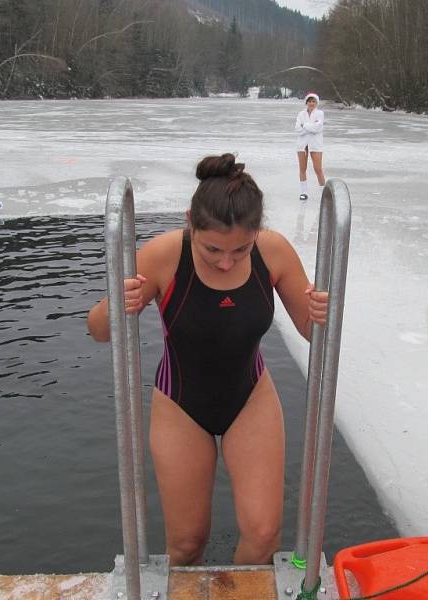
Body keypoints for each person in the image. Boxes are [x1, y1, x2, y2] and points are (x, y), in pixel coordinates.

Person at [87, 153, 329, 566]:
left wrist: (321, 312)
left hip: (250, 398)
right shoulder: (164, 255)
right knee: (186, 543)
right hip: (181, 404)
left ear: (258, 233)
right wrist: (118, 304)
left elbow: (312, 330)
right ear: (189, 222)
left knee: (264, 535)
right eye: (213, 248)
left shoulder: (273, 252)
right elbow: (99, 330)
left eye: (240, 249)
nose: (225, 261)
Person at [295, 92, 325, 201]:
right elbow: (297, 129)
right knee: (302, 169)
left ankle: (324, 193)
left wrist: (305, 125)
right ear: (306, 102)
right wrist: (310, 127)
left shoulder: (320, 113)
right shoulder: (301, 114)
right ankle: (304, 192)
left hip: (316, 145)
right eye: (309, 101)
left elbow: (317, 128)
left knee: (318, 169)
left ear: (316, 103)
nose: (311, 103)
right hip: (302, 145)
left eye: (313, 101)